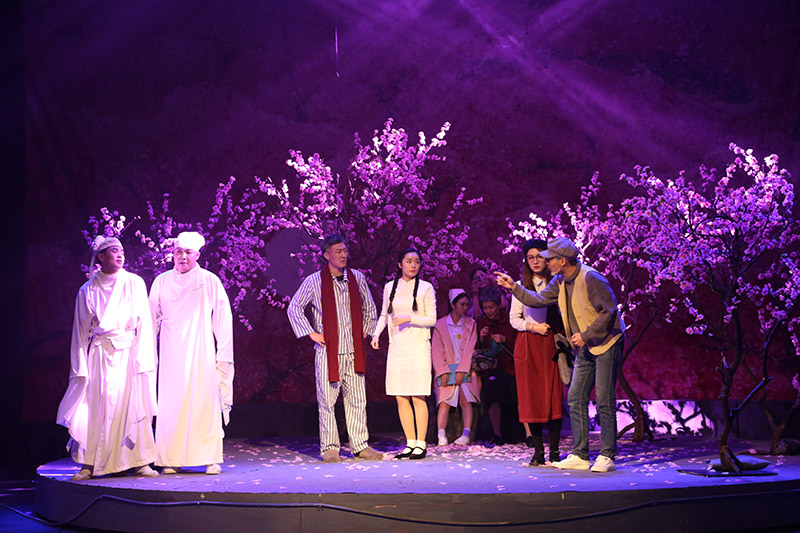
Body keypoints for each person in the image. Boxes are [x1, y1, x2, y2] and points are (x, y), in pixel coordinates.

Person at [496, 237, 625, 473]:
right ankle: (581, 455)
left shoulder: (591, 277)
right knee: (575, 398)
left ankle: (607, 455)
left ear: (562, 261)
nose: (546, 263)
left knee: (604, 400)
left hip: (607, 342)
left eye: (550, 259)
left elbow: (608, 312)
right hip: (585, 345)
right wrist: (514, 288)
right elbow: (538, 300)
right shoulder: (560, 281)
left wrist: (586, 334)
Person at [56, 236, 158, 480]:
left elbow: (145, 324)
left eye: (122, 250)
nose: (120, 254)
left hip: (128, 354)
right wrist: (80, 367)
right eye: (114, 251)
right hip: (100, 355)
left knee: (131, 404)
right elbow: (80, 332)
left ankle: (140, 461)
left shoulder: (134, 283)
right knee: (96, 406)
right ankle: (89, 463)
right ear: (101, 257)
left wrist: (144, 359)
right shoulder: (87, 289)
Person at [287, 234, 382, 462]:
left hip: (353, 350)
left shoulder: (357, 278)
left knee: (357, 399)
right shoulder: (314, 281)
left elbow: (370, 308)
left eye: (345, 250)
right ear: (326, 255)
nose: (343, 255)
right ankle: (330, 447)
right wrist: (311, 333)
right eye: (338, 251)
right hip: (328, 351)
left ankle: (360, 445)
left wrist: (366, 331)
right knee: (327, 401)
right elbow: (294, 307)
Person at [149, 231, 234, 475]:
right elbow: (150, 319)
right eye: (178, 252)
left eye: (187, 252)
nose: (182, 256)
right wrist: (148, 355)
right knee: (171, 403)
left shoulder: (209, 280)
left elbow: (223, 319)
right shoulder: (161, 282)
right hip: (171, 352)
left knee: (203, 400)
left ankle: (209, 457)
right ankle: (171, 458)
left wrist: (222, 354)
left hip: (201, 350)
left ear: (197, 254)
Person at [371, 248, 436, 460]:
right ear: (400, 264)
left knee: (418, 395)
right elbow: (384, 314)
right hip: (398, 347)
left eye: (416, 261)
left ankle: (421, 444)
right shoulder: (390, 287)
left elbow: (432, 319)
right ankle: (410, 443)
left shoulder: (426, 287)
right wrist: (376, 334)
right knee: (400, 396)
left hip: (418, 346)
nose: (413, 265)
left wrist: (409, 318)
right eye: (408, 261)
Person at [509, 239, 564, 466]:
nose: (535, 261)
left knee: (553, 396)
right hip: (528, 343)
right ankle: (538, 452)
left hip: (551, 342)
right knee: (530, 397)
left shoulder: (558, 282)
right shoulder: (520, 286)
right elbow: (514, 319)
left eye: (539, 257)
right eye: (530, 258)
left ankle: (555, 452)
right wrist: (533, 327)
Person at [431, 289, 479, 446]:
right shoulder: (440, 325)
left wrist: (462, 370)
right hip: (446, 368)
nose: (465, 308)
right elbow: (436, 350)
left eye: (467, 305)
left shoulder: (471, 324)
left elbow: (470, 348)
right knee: (444, 401)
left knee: (466, 400)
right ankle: (441, 434)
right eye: (461, 304)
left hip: (465, 368)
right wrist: (443, 371)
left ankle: (466, 434)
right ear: (453, 305)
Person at [475, 285, 517, 446]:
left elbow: (518, 345)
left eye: (491, 307)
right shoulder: (481, 323)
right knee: (492, 389)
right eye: (485, 308)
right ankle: (496, 433)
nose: (488, 311)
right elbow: (478, 351)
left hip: (510, 367)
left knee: (513, 388)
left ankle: (526, 433)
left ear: (498, 305)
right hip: (491, 369)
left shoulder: (510, 320)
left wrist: (505, 340)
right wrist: (481, 338)